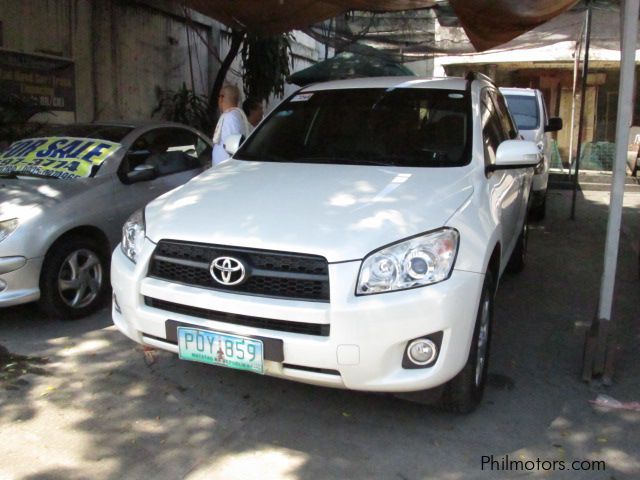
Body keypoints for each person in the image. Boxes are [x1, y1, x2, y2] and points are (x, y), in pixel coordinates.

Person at [212, 84, 251, 166]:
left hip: (225, 169)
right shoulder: (234, 115)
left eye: (219, 97)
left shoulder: (230, 117)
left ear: (222, 98)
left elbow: (232, 147)